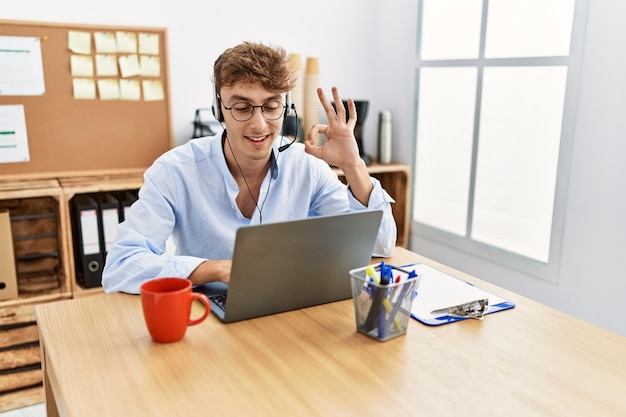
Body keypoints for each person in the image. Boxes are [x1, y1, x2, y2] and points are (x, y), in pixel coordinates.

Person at [102, 41, 396, 294]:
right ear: (219, 109)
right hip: (203, 316)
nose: (259, 125)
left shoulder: (307, 169)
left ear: (285, 107)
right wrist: (215, 270)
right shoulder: (175, 171)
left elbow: (380, 245)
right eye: (242, 108)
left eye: (270, 107)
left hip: (282, 309)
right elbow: (120, 266)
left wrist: (353, 165)